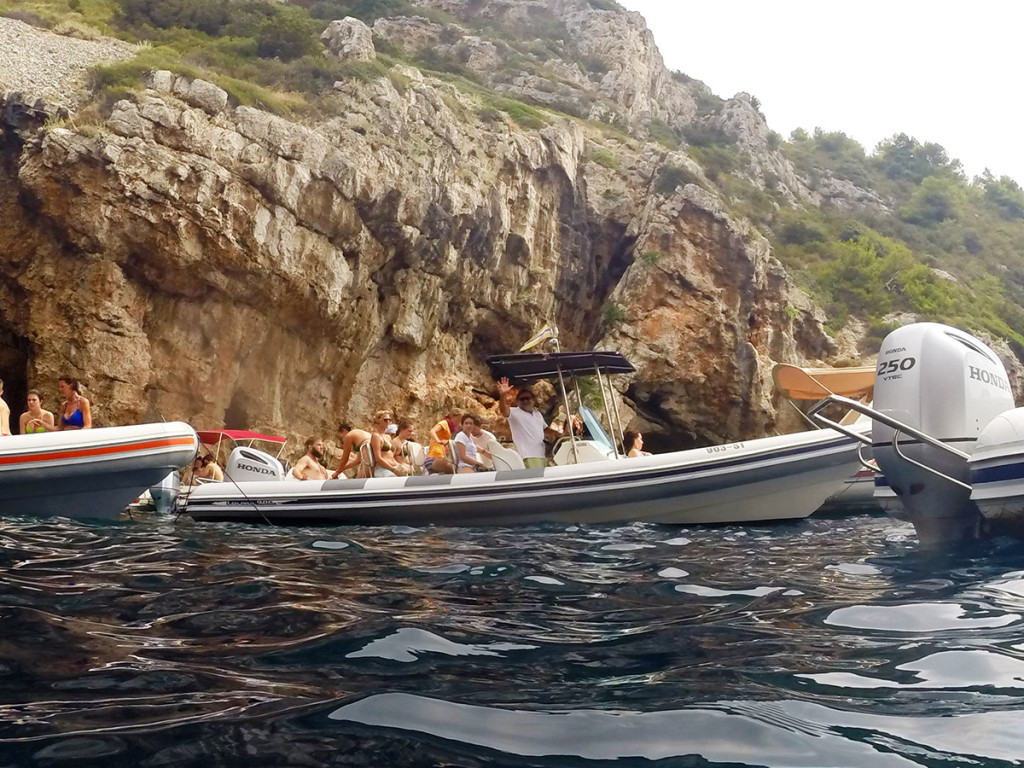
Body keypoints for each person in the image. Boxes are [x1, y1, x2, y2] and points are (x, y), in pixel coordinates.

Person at [497, 377, 569, 469]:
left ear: (533, 399)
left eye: (527, 398)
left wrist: (560, 434)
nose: (525, 401)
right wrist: (503, 395)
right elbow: (504, 410)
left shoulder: (537, 414)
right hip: (528, 456)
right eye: (522, 399)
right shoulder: (515, 412)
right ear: (517, 401)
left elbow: (545, 429)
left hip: (541, 455)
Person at [369, 410, 409, 478]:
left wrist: (399, 467)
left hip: (393, 467)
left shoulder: (388, 437)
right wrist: (393, 469)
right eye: (385, 420)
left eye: (390, 420)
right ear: (378, 420)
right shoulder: (376, 436)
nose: (388, 422)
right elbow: (378, 458)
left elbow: (391, 456)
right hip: (383, 469)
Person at [424, 409, 460, 474]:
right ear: (453, 417)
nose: (459, 423)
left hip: (442, 455)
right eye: (459, 420)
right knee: (453, 468)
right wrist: (438, 441)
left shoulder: (450, 429)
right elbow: (432, 431)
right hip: (434, 456)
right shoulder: (444, 423)